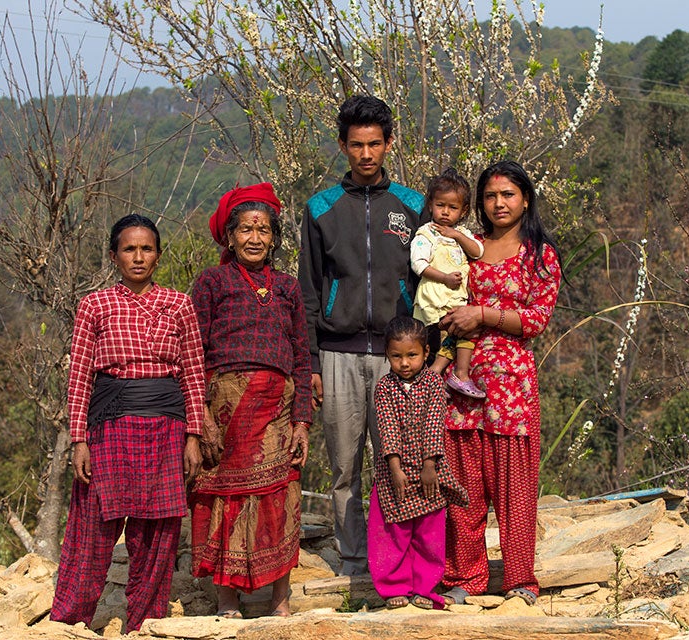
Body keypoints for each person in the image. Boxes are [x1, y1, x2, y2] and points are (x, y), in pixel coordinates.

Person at [51, 214, 206, 632]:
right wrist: (78, 440)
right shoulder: (95, 305)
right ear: (114, 255)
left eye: (147, 248)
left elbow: (193, 373)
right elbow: (80, 374)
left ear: (157, 254)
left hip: (166, 427)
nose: (139, 257)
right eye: (129, 249)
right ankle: (68, 620)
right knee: (94, 527)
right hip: (110, 427)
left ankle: (145, 623)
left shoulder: (179, 304)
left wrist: (194, 435)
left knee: (156, 532)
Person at [298, 95, 428, 576]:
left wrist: (428, 355)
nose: (367, 154)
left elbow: (426, 285)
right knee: (345, 467)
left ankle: (398, 558)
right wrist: (310, 363)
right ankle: (354, 562)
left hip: (402, 358)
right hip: (338, 353)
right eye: (357, 145)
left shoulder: (414, 206)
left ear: (389, 143)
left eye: (375, 143)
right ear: (342, 146)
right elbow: (309, 291)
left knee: (402, 462)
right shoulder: (320, 208)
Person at [438, 160, 562, 607]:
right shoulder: (467, 248)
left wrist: (484, 314)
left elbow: (536, 320)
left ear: (525, 198)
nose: (499, 204)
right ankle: (464, 576)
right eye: (490, 196)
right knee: (464, 486)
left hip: (512, 384)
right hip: (462, 382)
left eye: (508, 194)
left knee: (515, 490)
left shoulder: (539, 254)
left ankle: (519, 580)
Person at [190, 182, 311, 618]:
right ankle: (227, 599)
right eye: (245, 229)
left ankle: (280, 599)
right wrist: (198, 413)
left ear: (275, 237)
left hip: (278, 410)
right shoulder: (210, 282)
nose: (255, 238)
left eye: (263, 230)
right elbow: (193, 351)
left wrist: (302, 421)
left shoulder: (288, 288)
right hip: (223, 409)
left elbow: (301, 355)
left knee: (281, 494)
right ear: (230, 236)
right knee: (226, 497)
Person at [368, 316, 467, 610]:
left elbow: (434, 423)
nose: (405, 363)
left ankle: (425, 587)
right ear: (387, 355)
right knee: (392, 533)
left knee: (429, 532)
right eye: (396, 356)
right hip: (393, 472)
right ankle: (394, 587)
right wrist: (395, 469)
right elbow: (387, 428)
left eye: (412, 355)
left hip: (429, 469)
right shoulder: (384, 387)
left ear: (426, 353)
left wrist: (429, 465)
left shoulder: (434, 384)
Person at [410, 167, 485, 399]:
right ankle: (453, 375)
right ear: (431, 204)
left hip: (454, 300)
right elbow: (418, 264)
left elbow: (478, 251)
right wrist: (443, 278)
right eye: (440, 205)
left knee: (462, 333)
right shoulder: (427, 233)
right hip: (434, 301)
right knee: (457, 334)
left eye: (452, 208)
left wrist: (459, 236)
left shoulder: (461, 233)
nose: (445, 212)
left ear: (463, 211)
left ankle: (439, 376)